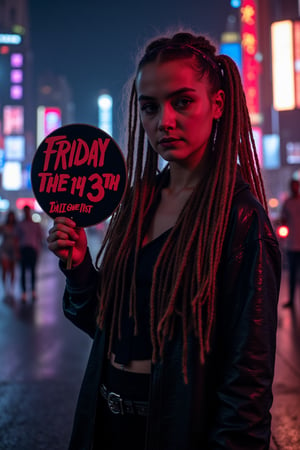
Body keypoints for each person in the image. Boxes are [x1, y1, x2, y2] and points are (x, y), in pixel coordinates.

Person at [47, 31, 281, 450]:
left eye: (183, 101)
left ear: (218, 105)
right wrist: (80, 267)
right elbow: (107, 327)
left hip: (177, 431)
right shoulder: (137, 202)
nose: (164, 121)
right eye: (150, 107)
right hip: (106, 423)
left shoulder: (240, 219)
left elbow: (248, 380)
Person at [17, 205, 43, 302]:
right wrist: (17, 251)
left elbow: (39, 237)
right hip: (23, 249)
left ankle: (33, 291)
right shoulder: (20, 224)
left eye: (27, 211)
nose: (26, 213)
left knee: (32, 271)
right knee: (23, 272)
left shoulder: (35, 224)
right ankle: (23, 292)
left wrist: (38, 250)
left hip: (32, 249)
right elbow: (16, 238)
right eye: (25, 211)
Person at [281, 178, 300, 308]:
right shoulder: (287, 203)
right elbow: (283, 220)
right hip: (291, 244)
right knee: (292, 274)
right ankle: (292, 300)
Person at [0, 210, 19, 296]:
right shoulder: (4, 226)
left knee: (12, 269)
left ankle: (11, 288)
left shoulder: (17, 227)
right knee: (4, 269)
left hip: (14, 249)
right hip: (5, 249)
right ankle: (5, 287)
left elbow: (18, 239)